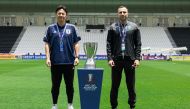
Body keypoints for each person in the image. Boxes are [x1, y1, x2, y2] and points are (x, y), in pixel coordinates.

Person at [43, 5, 81, 109]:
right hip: (55, 63)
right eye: (59, 13)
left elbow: (76, 43)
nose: (61, 15)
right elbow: (47, 44)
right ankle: (54, 105)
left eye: (63, 13)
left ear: (66, 15)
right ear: (56, 15)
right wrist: (47, 58)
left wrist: (77, 57)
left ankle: (70, 104)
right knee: (55, 86)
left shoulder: (72, 28)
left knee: (69, 86)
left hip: (69, 62)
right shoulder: (50, 28)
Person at [106, 6, 142, 109]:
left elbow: (138, 44)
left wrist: (137, 58)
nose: (122, 14)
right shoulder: (112, 27)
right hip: (116, 60)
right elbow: (109, 44)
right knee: (114, 86)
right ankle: (114, 106)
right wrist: (110, 58)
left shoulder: (134, 27)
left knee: (131, 86)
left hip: (130, 60)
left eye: (124, 12)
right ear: (118, 14)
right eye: (120, 12)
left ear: (127, 13)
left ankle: (132, 105)